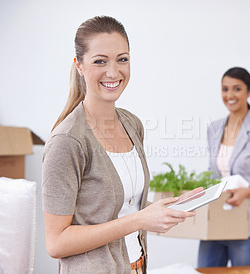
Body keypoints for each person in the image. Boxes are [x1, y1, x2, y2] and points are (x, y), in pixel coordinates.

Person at [42, 16, 201, 274]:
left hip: (136, 267)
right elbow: (56, 243)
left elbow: (123, 208)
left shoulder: (132, 124)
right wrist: (138, 220)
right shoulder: (68, 141)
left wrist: (169, 209)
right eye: (100, 61)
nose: (113, 72)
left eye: (122, 59)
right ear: (79, 66)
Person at [197, 67, 250, 267]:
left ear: (249, 92)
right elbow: (213, 174)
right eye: (225, 89)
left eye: (237, 89)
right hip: (215, 221)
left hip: (248, 226)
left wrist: (245, 192)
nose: (230, 95)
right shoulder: (214, 129)